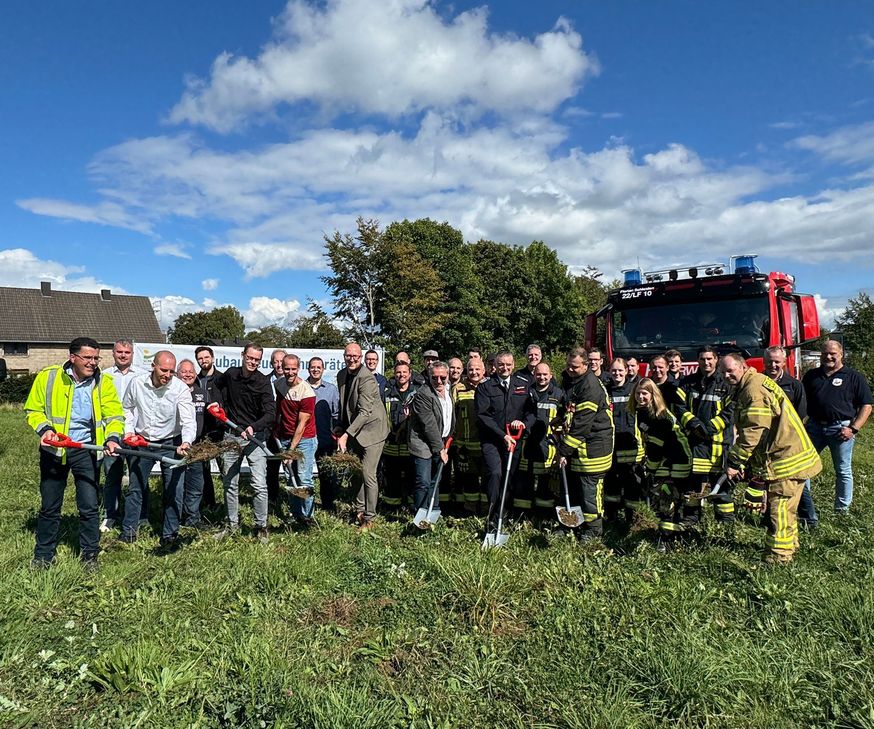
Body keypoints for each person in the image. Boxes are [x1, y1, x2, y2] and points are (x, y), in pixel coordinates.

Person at [24, 337, 124, 570]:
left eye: (96, 358)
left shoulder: (104, 382)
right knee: (50, 506)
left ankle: (90, 556)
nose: (93, 363)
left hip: (87, 450)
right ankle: (43, 556)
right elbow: (33, 409)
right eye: (87, 358)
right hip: (54, 449)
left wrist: (112, 438)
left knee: (89, 506)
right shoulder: (48, 377)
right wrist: (46, 429)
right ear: (73, 358)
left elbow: (115, 416)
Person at [721, 353, 822, 563]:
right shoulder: (753, 383)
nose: (726, 375)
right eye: (723, 372)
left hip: (786, 459)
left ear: (742, 367)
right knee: (787, 509)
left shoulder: (753, 389)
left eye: (730, 370)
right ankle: (790, 547)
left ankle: (779, 558)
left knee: (779, 509)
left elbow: (754, 428)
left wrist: (735, 461)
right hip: (789, 455)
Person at [120, 351, 196, 551]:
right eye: (164, 370)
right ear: (153, 366)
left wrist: (186, 442)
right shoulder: (137, 384)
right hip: (142, 441)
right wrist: (128, 432)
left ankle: (170, 534)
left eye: (171, 371)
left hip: (172, 442)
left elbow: (189, 421)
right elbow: (126, 408)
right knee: (136, 487)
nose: (168, 375)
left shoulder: (180, 388)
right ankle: (129, 531)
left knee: (174, 489)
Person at [214, 343, 276, 542]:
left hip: (255, 438)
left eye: (257, 360)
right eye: (250, 358)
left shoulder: (263, 383)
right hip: (231, 436)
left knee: (259, 484)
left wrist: (254, 427)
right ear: (243, 355)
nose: (253, 362)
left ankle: (261, 527)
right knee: (229, 483)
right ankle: (231, 525)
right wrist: (217, 403)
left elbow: (270, 413)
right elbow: (216, 385)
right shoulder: (231, 374)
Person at [802, 340, 873, 515]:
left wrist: (853, 428)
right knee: (803, 467)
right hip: (814, 428)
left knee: (842, 470)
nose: (829, 356)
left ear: (841, 354)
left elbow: (867, 405)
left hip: (841, 430)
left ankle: (842, 511)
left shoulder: (854, 377)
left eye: (833, 353)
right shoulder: (811, 376)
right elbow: (801, 403)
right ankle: (805, 506)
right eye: (825, 353)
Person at [557, 348, 614, 540]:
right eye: (568, 366)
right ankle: (572, 524)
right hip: (579, 448)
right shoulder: (573, 381)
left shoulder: (590, 387)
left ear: (586, 365)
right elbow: (569, 408)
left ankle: (593, 529)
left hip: (594, 448)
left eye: (574, 367)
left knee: (590, 492)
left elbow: (582, 425)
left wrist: (563, 450)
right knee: (574, 488)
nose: (570, 370)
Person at [627, 378, 693, 545]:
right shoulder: (643, 412)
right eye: (638, 393)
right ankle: (669, 536)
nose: (640, 397)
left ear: (653, 395)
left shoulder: (658, 415)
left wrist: (650, 469)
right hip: (666, 459)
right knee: (665, 498)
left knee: (668, 498)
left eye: (645, 393)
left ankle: (669, 539)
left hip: (678, 459)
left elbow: (656, 448)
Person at [475, 351, 536, 529]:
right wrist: (503, 435)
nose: (505, 368)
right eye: (501, 364)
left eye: (508, 364)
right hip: (492, 440)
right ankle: (493, 517)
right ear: (495, 365)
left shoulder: (523, 385)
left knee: (510, 477)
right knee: (495, 474)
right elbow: (482, 415)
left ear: (514, 364)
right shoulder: (486, 387)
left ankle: (505, 513)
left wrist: (524, 424)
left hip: (515, 441)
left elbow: (532, 411)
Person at [678, 345, 735, 526]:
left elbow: (731, 410)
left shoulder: (726, 383)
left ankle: (725, 524)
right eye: (702, 359)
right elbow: (679, 406)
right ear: (698, 361)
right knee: (693, 485)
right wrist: (694, 424)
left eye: (709, 359)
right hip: (696, 444)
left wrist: (709, 428)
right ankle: (691, 521)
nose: (706, 362)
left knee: (721, 486)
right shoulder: (688, 382)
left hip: (719, 446)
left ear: (716, 360)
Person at [336, 342, 390, 531]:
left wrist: (346, 435)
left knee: (368, 474)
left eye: (356, 357)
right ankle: (359, 511)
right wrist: (340, 427)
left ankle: (370, 518)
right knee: (357, 473)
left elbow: (365, 412)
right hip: (355, 430)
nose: (352, 359)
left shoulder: (366, 378)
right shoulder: (341, 375)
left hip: (373, 431)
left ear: (361, 358)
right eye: (348, 356)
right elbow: (345, 405)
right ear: (344, 356)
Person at [763, 346, 814, 527]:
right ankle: (769, 517)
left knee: (795, 478)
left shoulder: (794, 385)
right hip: (764, 440)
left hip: (788, 442)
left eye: (777, 362)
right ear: (764, 362)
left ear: (784, 362)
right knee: (768, 478)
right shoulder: (757, 383)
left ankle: (809, 518)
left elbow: (801, 415)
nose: (773, 365)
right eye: (770, 362)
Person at [101, 339, 146, 532]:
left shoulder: (143, 376)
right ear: (113, 353)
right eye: (119, 352)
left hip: (135, 434)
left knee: (138, 477)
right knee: (112, 476)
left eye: (127, 352)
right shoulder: (103, 376)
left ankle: (142, 517)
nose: (123, 355)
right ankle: (110, 515)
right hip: (112, 433)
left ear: (132, 354)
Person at [514, 362, 564, 518]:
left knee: (545, 484)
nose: (542, 377)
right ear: (534, 375)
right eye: (538, 374)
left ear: (551, 375)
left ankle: (544, 516)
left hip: (548, 447)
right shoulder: (525, 394)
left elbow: (563, 420)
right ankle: (523, 516)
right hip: (527, 446)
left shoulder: (558, 395)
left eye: (545, 374)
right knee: (524, 483)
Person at [274, 353, 318, 527]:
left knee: (303, 477)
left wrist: (291, 451)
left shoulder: (306, 392)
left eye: (293, 369)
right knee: (289, 476)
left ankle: (308, 516)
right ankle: (295, 513)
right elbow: (279, 409)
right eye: (286, 368)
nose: (290, 372)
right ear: (281, 368)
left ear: (298, 369)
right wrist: (275, 428)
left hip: (304, 438)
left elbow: (302, 424)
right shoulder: (278, 384)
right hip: (284, 437)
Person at [408, 360, 455, 515]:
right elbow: (429, 425)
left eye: (443, 377)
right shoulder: (423, 394)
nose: (439, 381)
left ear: (448, 375)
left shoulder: (448, 391)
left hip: (441, 442)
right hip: (423, 444)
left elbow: (449, 418)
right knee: (423, 481)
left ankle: (433, 511)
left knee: (436, 480)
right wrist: (440, 449)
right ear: (429, 376)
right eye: (435, 377)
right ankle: (420, 513)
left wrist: (448, 438)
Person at [604, 358, 645, 521]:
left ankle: (631, 518)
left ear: (627, 371)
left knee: (631, 484)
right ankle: (612, 516)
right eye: (614, 370)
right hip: (612, 446)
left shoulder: (635, 390)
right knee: (611, 482)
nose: (617, 373)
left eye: (620, 370)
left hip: (631, 445)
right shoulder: (605, 391)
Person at [176, 359, 210, 530]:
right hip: (176, 445)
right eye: (184, 372)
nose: (188, 375)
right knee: (177, 483)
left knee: (196, 483)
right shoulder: (171, 391)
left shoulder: (202, 393)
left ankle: (192, 517)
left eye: (191, 372)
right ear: (177, 373)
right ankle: (177, 516)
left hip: (196, 446)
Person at [307, 357, 341, 511]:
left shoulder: (331, 389)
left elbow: (336, 414)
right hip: (306, 438)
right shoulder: (302, 387)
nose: (315, 369)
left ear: (323, 369)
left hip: (324, 438)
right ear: (308, 369)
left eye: (318, 367)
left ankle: (328, 504)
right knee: (304, 474)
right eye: (313, 367)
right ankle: (306, 506)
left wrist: (335, 432)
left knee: (326, 474)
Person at [382, 362, 418, 510]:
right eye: (398, 372)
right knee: (391, 478)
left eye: (404, 372)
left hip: (411, 446)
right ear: (394, 374)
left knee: (412, 477)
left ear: (410, 374)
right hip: (391, 445)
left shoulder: (417, 393)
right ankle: (392, 507)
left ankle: (411, 506)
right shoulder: (386, 394)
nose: (401, 375)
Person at [455, 357, 487, 513]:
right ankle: (470, 508)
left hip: (486, 443)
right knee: (469, 478)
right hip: (465, 443)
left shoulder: (490, 387)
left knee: (487, 477)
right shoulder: (459, 388)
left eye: (477, 369)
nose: (474, 372)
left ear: (484, 371)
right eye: (471, 369)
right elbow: (453, 413)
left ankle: (487, 507)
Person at [195, 346, 224, 510]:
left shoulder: (222, 378)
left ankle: (228, 505)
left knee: (224, 470)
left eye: (206, 357)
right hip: (202, 432)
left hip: (220, 431)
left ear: (212, 358)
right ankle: (209, 503)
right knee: (204, 470)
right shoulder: (195, 379)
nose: (203, 361)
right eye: (200, 358)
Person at [266, 349, 287, 508]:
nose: (279, 365)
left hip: (288, 431)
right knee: (272, 468)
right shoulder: (265, 381)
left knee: (292, 466)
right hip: (271, 431)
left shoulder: (295, 382)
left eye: (282, 361)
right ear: (271, 363)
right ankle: (272, 499)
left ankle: (293, 501)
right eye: (276, 361)